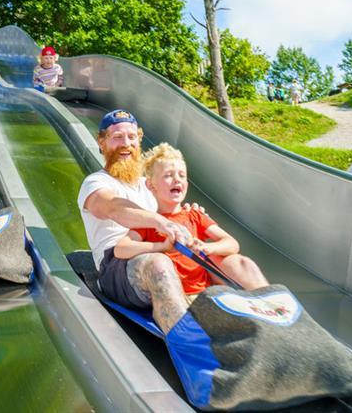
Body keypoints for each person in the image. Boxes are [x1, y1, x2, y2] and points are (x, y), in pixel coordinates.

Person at [77, 110, 265, 334]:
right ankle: (188, 337)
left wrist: (187, 212)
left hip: (167, 252)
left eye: (131, 137)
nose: (125, 144)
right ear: (102, 142)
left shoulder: (150, 184)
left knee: (236, 263)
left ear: (139, 140)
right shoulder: (97, 183)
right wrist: (159, 222)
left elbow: (174, 206)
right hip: (117, 267)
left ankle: (272, 319)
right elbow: (113, 208)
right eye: (117, 137)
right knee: (157, 263)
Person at [115, 143, 268, 321]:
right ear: (151, 185)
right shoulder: (151, 222)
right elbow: (121, 248)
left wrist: (207, 248)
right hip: (178, 299)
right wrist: (161, 246)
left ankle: (270, 308)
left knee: (243, 262)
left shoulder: (195, 215)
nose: (177, 180)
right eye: (168, 176)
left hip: (206, 294)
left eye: (182, 175)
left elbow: (232, 244)